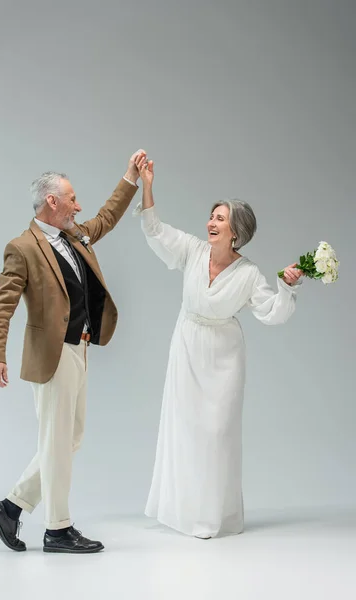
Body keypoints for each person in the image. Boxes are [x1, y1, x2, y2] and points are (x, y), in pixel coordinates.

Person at [0, 150, 146, 553]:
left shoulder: (76, 235)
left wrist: (130, 177)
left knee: (68, 439)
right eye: (72, 198)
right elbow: (2, 304)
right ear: (51, 202)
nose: (79, 206)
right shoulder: (22, 247)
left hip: (80, 349)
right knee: (58, 442)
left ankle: (10, 507)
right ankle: (57, 529)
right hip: (51, 356)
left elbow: (107, 216)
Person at [136, 157, 302, 539]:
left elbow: (273, 313)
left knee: (216, 434)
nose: (211, 222)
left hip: (224, 357)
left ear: (236, 233)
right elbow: (155, 230)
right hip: (187, 345)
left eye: (220, 219)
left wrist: (287, 286)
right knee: (184, 430)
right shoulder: (193, 251)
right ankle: (182, 513)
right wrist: (147, 185)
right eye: (211, 216)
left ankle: (213, 517)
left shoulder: (248, 275)